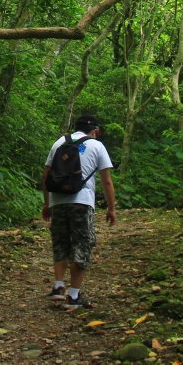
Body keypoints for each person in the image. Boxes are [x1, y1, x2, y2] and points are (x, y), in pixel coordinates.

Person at [41, 114, 116, 310]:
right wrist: (111, 208)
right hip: (82, 202)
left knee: (60, 242)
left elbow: (46, 175)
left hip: (58, 201)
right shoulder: (97, 146)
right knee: (82, 244)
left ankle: (58, 287)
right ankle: (74, 296)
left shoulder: (59, 142)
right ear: (95, 131)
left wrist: (47, 204)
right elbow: (106, 181)